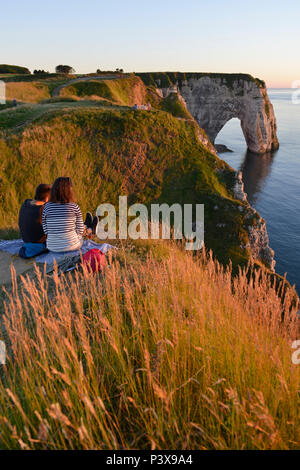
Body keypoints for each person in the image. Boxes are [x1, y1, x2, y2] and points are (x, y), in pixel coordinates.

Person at [42, 177, 98, 253]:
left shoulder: (46, 207)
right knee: (79, 230)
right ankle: (90, 229)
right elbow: (80, 231)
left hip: (52, 247)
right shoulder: (74, 206)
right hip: (72, 246)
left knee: (73, 227)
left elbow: (46, 231)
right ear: (69, 190)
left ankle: (88, 226)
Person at [18, 184, 51, 258]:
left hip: (26, 240)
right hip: (39, 243)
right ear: (46, 199)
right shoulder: (44, 210)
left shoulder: (25, 203)